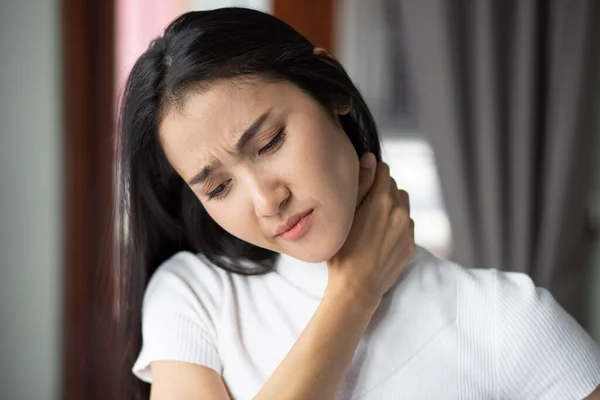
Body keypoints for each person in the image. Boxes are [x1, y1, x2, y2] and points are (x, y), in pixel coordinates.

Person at [116, 7, 600, 400]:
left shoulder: (505, 318)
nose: (267, 200)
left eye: (268, 142)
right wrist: (353, 294)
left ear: (331, 88)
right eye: (218, 188)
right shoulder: (195, 296)